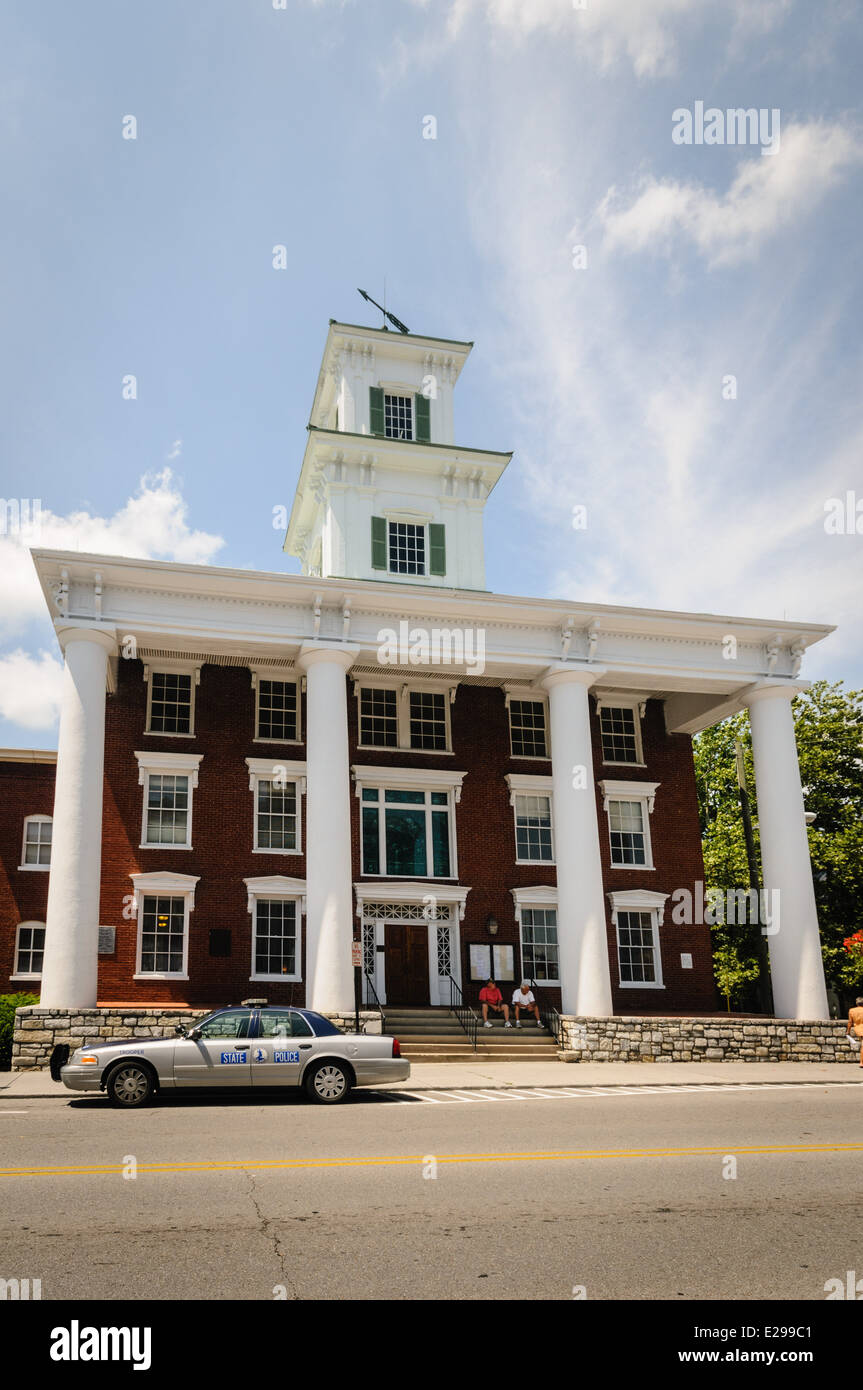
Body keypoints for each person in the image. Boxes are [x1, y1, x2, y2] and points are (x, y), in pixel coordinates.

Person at [847, 998, 863, 1067]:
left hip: (858, 1028)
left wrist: (848, 1031)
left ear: (856, 1003)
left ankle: (861, 1062)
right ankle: (861, 1062)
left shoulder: (852, 1010)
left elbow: (850, 1022)